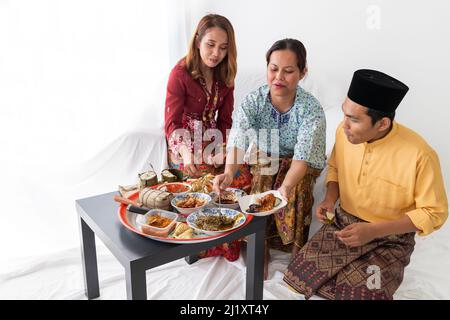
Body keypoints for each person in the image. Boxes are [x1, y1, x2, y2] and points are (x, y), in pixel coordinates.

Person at [284, 69, 448, 300]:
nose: (344, 125)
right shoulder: (345, 133)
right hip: (343, 224)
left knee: (363, 293)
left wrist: (373, 231)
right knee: (297, 276)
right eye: (344, 114)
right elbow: (337, 168)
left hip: (390, 236)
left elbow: (434, 213)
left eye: (354, 119)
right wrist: (330, 199)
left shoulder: (420, 155)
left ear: (382, 124)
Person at [213, 38, 327, 279]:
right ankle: (259, 246)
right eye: (273, 69)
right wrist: (228, 172)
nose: (279, 77)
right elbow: (239, 139)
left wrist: (285, 186)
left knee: (296, 188)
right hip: (266, 154)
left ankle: (295, 250)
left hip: (301, 161)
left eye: (288, 71)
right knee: (262, 178)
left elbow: (302, 158)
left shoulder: (311, 110)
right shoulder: (254, 101)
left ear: (302, 72)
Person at [164, 14, 251, 262]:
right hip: (185, 147)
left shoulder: (226, 75)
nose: (216, 53)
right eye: (211, 44)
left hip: (213, 144)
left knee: (243, 177)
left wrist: (222, 148)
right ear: (197, 41)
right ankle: (205, 245)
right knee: (207, 186)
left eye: (223, 48)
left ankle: (234, 236)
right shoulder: (179, 74)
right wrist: (186, 151)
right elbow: (171, 124)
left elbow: (225, 122)